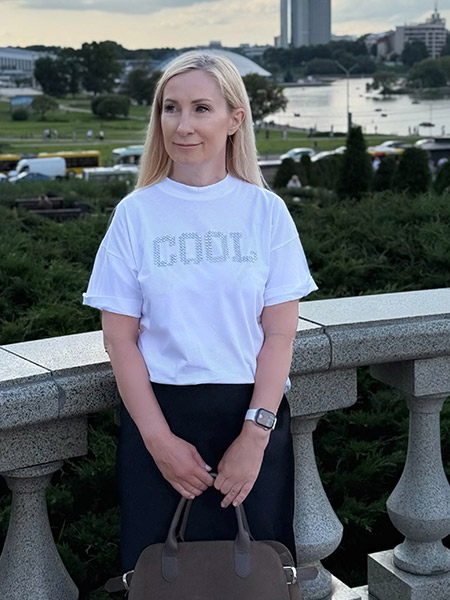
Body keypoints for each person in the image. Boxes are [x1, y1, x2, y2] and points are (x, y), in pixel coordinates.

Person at [82, 52, 317, 575]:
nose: (182, 125)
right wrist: (158, 441)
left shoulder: (267, 213)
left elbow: (280, 335)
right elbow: (119, 339)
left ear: (235, 119)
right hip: (160, 421)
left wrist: (254, 438)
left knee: (257, 577)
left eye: (201, 108)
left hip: (251, 418)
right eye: (170, 108)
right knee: (162, 579)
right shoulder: (135, 215)